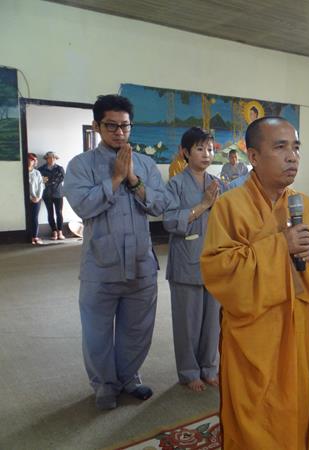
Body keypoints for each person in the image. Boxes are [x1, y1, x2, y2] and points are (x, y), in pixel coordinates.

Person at [200, 117, 309, 450]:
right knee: (255, 416)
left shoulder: (304, 205)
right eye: (281, 147)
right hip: (255, 336)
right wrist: (281, 246)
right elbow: (220, 270)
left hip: (300, 331)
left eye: (296, 148)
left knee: (298, 408)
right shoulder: (229, 207)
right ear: (253, 156)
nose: (292, 156)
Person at [63, 94, 168, 410]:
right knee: (96, 333)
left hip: (141, 264)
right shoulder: (80, 165)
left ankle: (128, 378)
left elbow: (160, 205)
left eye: (125, 126)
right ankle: (104, 385)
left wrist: (133, 179)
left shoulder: (145, 164)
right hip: (100, 266)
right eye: (111, 126)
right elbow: (83, 205)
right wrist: (116, 178)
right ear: (96, 126)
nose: (120, 132)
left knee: (136, 330)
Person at [163, 127, 221, 392]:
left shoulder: (217, 183)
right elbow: (170, 221)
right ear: (185, 152)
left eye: (209, 149)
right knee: (188, 322)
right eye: (199, 148)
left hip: (213, 259)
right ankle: (189, 372)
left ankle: (209, 368)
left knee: (212, 322)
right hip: (186, 261)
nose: (206, 154)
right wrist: (204, 205)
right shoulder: (175, 184)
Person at [38, 151, 65, 240]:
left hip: (58, 193)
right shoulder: (41, 169)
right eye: (49, 157)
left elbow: (61, 179)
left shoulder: (60, 168)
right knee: (50, 213)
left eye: (53, 157)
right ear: (46, 159)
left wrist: (49, 181)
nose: (52, 159)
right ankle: (54, 231)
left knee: (59, 212)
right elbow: (40, 180)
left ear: (56, 158)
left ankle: (60, 231)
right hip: (47, 194)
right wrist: (49, 181)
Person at [27, 153, 44, 245]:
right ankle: (29, 237)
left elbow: (41, 185)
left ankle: (35, 236)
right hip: (26, 199)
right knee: (27, 218)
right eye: (30, 159)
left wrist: (38, 197)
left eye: (33, 160)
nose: (31, 161)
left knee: (34, 218)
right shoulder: (22, 172)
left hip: (36, 199)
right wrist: (29, 197)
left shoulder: (37, 173)